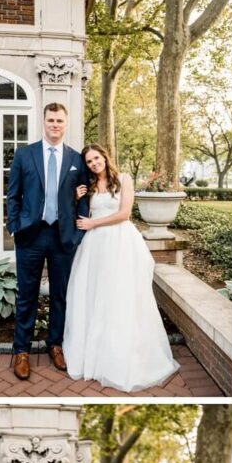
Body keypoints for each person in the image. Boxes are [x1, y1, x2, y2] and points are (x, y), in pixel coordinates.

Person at [62, 144, 178, 392]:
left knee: (120, 297)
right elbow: (76, 213)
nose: (94, 163)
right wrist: (76, 198)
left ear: (105, 156)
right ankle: (94, 355)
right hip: (94, 248)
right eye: (89, 162)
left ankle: (122, 356)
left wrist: (94, 222)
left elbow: (124, 214)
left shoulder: (124, 179)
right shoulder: (90, 186)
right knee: (95, 297)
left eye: (96, 158)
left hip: (120, 243)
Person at [6, 104, 89, 380]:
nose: (55, 124)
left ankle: (55, 345)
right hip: (30, 235)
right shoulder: (24, 154)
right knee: (27, 295)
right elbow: (13, 195)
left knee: (59, 296)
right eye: (51, 120)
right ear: (44, 122)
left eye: (60, 121)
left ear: (66, 124)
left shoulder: (76, 159)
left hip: (62, 237)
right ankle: (21, 351)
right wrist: (14, 226)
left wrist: (77, 233)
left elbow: (84, 199)